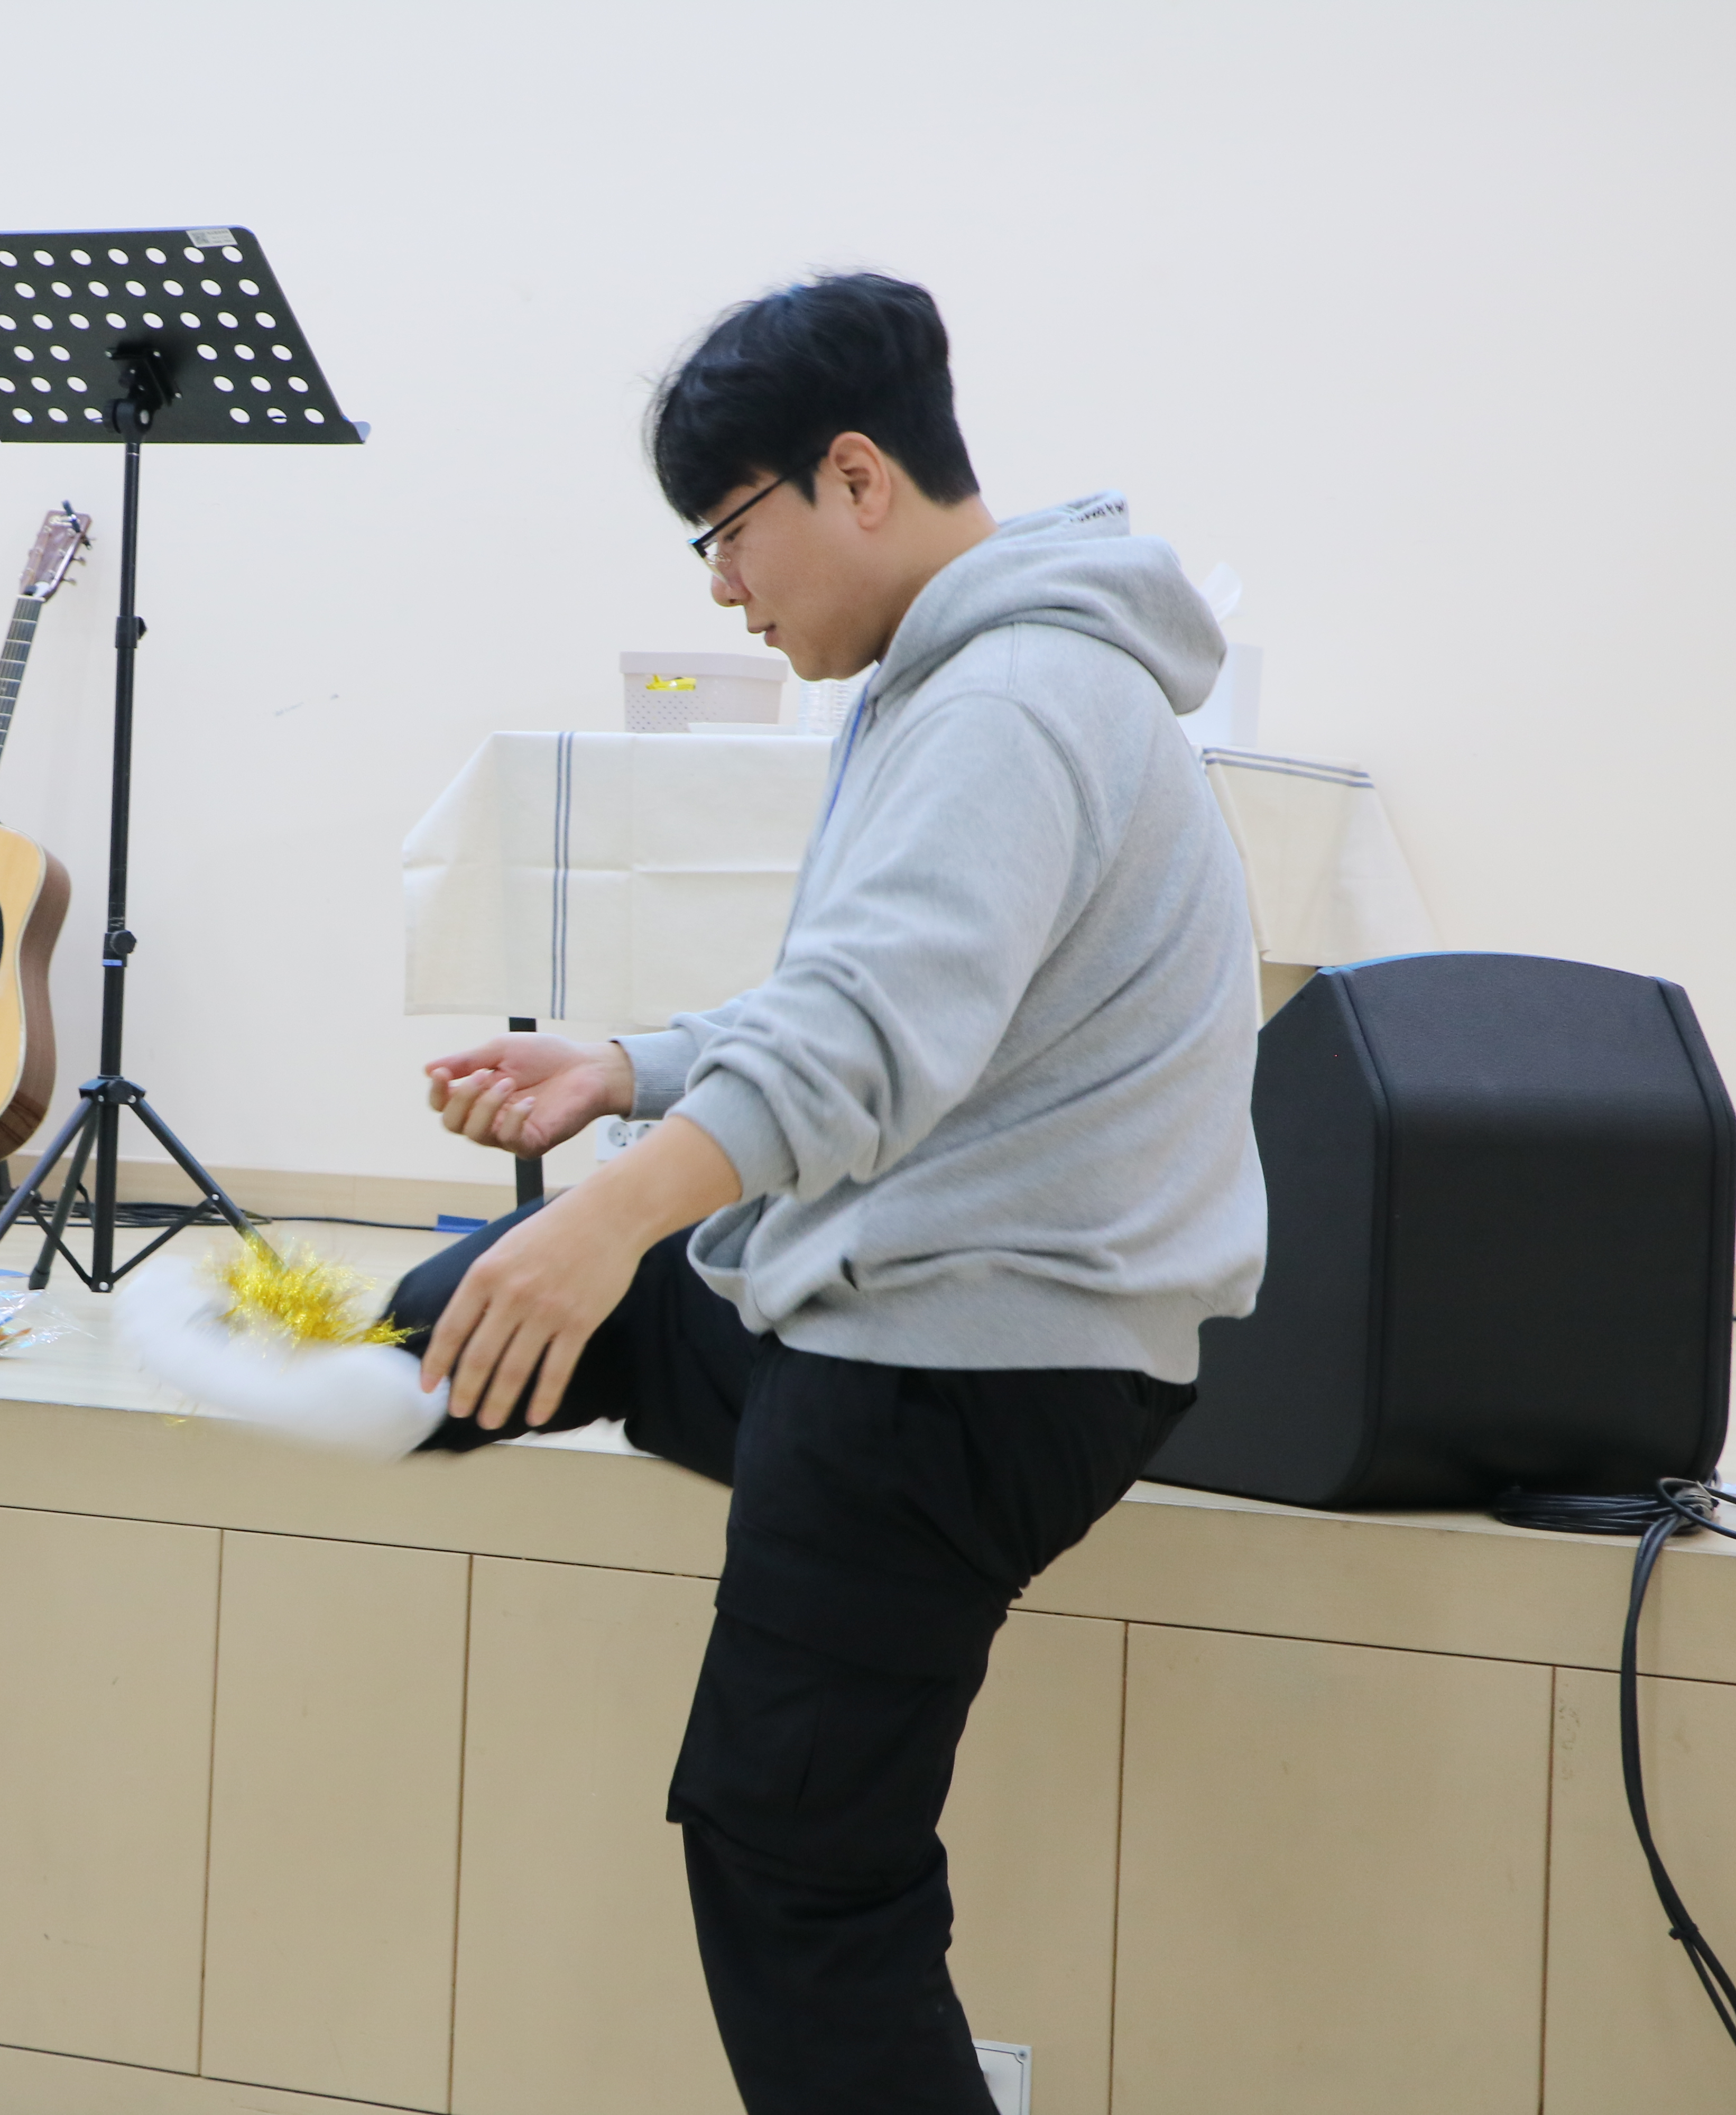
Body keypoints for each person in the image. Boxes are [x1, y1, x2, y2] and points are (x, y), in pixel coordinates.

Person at [396, 275, 1264, 2112]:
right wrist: (628, 1070)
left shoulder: (1012, 699)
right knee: (453, 1321)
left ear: (854, 479)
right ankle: (332, 1380)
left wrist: (607, 1213)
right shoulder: (977, 671)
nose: (724, 589)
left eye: (728, 533)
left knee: (798, 1863)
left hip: (968, 1370)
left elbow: (866, 1039)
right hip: (937, 1317)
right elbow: (859, 1004)